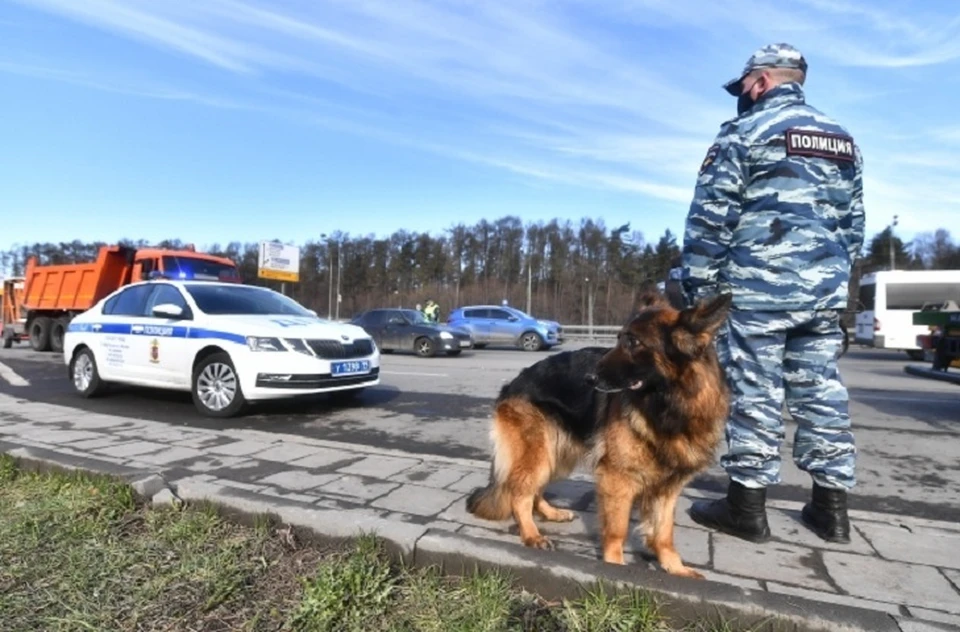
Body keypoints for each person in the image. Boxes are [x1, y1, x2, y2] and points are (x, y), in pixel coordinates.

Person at [680, 43, 866, 545]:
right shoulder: (841, 139)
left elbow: (711, 219)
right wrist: (835, 287)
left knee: (753, 396)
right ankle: (831, 512)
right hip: (822, 294)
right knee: (821, 394)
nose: (740, 96)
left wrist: (700, 292)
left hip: (757, 293)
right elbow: (853, 227)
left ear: (760, 82)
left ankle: (746, 510)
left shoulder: (745, 132)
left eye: (742, 87)